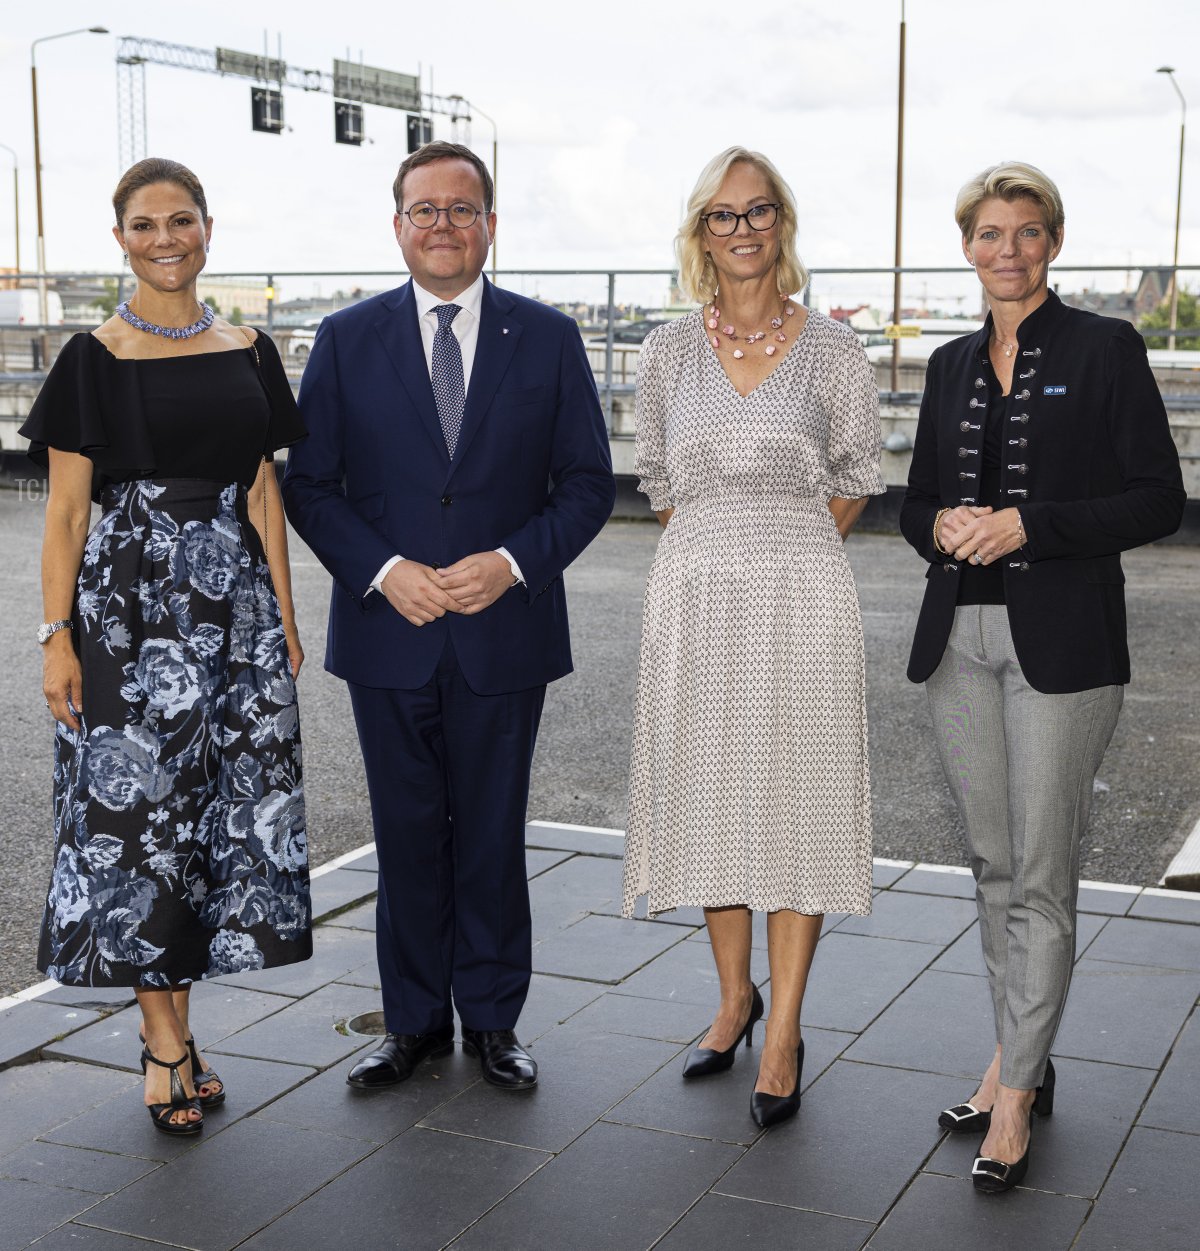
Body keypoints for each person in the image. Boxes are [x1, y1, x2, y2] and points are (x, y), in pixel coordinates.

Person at [283, 141, 614, 1093]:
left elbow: (588, 484)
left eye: (461, 210)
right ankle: (413, 1023)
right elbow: (312, 486)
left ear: (490, 227)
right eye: (423, 210)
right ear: (397, 227)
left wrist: (510, 564)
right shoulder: (346, 339)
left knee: (493, 835)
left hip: (501, 633)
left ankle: (495, 1021)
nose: (442, 225)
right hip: (389, 633)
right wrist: (383, 570)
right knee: (406, 833)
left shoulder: (547, 339)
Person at [900, 161, 1185, 1193]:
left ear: (1052, 243)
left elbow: (1159, 498)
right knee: (992, 868)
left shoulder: (1107, 347)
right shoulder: (945, 363)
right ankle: (1016, 1055)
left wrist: (1031, 525)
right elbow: (914, 501)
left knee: (1045, 875)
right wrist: (940, 524)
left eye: (1026, 232)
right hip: (959, 642)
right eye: (988, 233)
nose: (1007, 249)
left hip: (1063, 648)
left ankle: (1014, 1096)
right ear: (967, 245)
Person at [21, 157, 312, 1137]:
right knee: (137, 834)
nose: (164, 238)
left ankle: (183, 1035)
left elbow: (264, 492)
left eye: (180, 220)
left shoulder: (250, 349)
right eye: (144, 225)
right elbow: (65, 517)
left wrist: (284, 614)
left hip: (234, 624)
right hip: (127, 620)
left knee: (209, 834)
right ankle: (163, 1047)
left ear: (207, 228)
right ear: (120, 240)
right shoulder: (90, 359)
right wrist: (57, 641)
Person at [622, 146, 884, 1128]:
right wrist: (720, 552)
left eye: (758, 211)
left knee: (799, 798)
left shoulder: (833, 350)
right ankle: (734, 1000)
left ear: (783, 222)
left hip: (804, 593)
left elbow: (858, 473)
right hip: (693, 595)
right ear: (700, 233)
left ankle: (786, 1034)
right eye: (722, 216)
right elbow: (657, 482)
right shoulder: (662, 351)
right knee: (711, 796)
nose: (742, 230)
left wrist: (786, 546)